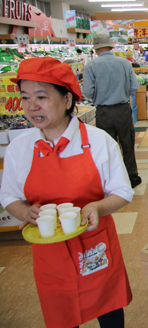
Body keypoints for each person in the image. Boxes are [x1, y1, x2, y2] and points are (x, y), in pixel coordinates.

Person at [0, 57, 134, 328]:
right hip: (49, 251)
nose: (32, 106)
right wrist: (25, 212)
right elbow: (8, 197)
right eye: (25, 98)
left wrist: (97, 207)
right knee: (60, 312)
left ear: (68, 100)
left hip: (95, 243)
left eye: (41, 96)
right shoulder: (20, 148)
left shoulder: (98, 141)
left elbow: (122, 191)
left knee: (107, 306)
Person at [83, 34, 142, 188]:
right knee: (127, 144)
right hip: (123, 109)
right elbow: (135, 87)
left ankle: (112, 180)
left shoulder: (91, 65)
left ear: (96, 48)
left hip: (103, 112)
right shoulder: (124, 63)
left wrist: (100, 94)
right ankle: (132, 177)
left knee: (107, 147)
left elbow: (88, 91)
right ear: (110, 46)